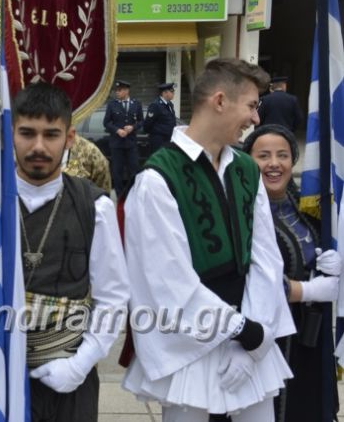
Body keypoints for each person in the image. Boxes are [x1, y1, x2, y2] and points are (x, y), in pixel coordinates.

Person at [121, 59, 295, 422]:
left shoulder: (247, 169)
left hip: (249, 338)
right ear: (220, 101)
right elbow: (166, 279)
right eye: (251, 105)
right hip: (190, 345)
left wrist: (255, 339)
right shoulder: (156, 178)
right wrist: (240, 330)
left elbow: (265, 258)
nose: (255, 119)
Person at [1, 82, 129, 420]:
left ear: (69, 138)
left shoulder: (94, 206)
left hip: (71, 378)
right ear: (10, 133)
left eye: (51, 134)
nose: (38, 146)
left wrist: (80, 364)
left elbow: (113, 296)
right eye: (27, 133)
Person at [242, 124, 339, 422]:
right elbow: (247, 279)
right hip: (268, 338)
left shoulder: (305, 208)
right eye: (264, 156)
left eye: (283, 155)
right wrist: (307, 290)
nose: (274, 163)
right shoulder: (241, 213)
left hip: (310, 337)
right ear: (248, 162)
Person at [103, 80, 143, 196]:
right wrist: (117, 130)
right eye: (117, 90)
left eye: (119, 90)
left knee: (134, 169)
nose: (117, 93)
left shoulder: (136, 104)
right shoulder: (112, 104)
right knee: (117, 171)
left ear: (126, 91)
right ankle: (120, 195)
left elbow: (141, 121)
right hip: (117, 144)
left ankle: (134, 193)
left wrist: (133, 127)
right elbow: (106, 122)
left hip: (131, 143)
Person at [143, 82, 177, 154]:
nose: (173, 94)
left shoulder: (170, 104)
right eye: (172, 92)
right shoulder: (156, 105)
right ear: (165, 93)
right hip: (158, 140)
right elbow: (147, 124)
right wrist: (156, 133)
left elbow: (171, 121)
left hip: (168, 139)